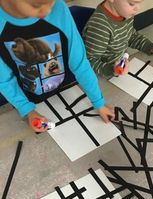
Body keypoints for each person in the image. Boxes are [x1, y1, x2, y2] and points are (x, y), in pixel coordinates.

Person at [0, 0, 115, 133]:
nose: (48, 11)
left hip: (64, 90)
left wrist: (98, 102)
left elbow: (79, 62)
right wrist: (27, 110)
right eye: (37, 5)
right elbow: (4, 80)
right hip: (28, 99)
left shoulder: (58, 8)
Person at [82, 0, 153, 80]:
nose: (138, 8)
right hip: (102, 75)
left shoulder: (124, 13)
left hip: (120, 66)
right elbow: (89, 61)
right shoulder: (100, 27)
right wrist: (113, 70)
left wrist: (151, 47)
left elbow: (130, 36)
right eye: (132, 4)